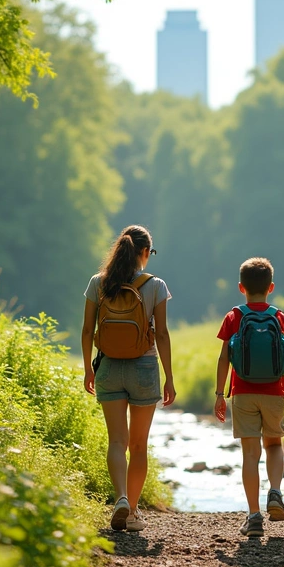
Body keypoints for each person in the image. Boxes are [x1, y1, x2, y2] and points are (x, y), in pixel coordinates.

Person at [81, 225, 175, 532]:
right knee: (138, 445)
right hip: (144, 368)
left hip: (108, 367)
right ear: (145, 252)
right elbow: (162, 334)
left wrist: (88, 369)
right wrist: (169, 377)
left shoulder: (99, 282)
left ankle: (120, 497)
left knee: (117, 441)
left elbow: (87, 330)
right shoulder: (155, 285)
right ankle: (132, 512)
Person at [213, 258, 284, 538]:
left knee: (250, 454)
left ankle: (254, 516)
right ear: (271, 287)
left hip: (243, 393)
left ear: (241, 287)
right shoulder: (280, 317)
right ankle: (275, 491)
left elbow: (224, 358)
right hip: (275, 392)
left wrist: (220, 394)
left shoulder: (233, 317)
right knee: (274, 444)